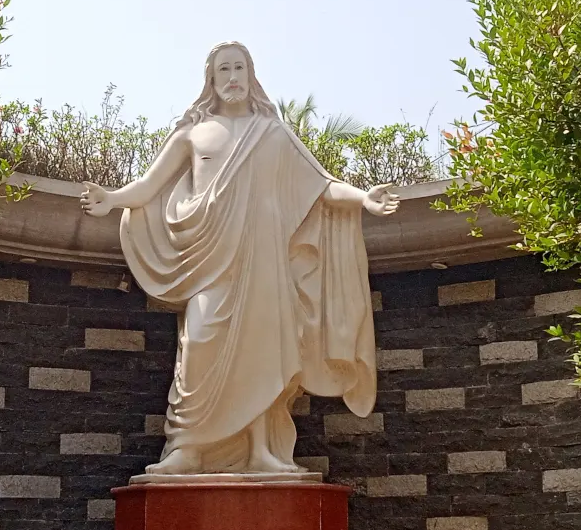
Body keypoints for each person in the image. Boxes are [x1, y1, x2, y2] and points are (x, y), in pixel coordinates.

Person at [80, 41, 399, 476]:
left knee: (266, 351)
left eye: (240, 68)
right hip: (209, 262)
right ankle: (186, 448)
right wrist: (112, 198)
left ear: (252, 76)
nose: (233, 77)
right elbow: (150, 186)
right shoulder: (194, 132)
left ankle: (262, 450)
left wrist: (364, 198)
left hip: (265, 260)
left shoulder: (272, 132)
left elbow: (321, 186)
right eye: (224, 69)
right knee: (200, 339)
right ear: (210, 80)